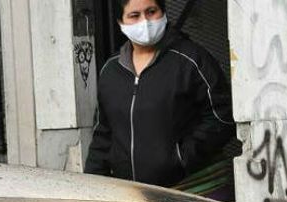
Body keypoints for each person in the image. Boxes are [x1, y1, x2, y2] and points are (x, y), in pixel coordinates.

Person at [85, 0, 240, 190]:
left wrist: (181, 157)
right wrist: (92, 188)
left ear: (163, 12)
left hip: (194, 190)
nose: (145, 22)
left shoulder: (191, 60)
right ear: (120, 22)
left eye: (151, 11)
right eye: (134, 15)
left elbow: (222, 117)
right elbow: (103, 134)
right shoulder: (111, 71)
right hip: (134, 197)